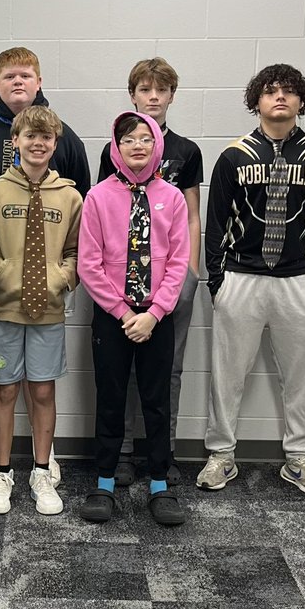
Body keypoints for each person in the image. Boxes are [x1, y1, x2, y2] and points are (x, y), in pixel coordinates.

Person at [0, 46, 91, 494]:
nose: (18, 82)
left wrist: (61, 275)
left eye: (26, 75)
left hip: (47, 280)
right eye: (9, 76)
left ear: (39, 82)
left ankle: (45, 459)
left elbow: (81, 217)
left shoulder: (66, 139)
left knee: (42, 377)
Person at [198, 64, 305, 496]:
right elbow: (215, 223)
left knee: (302, 377)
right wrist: (218, 281)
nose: (280, 97)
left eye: (289, 91)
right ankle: (221, 455)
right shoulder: (234, 156)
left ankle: (300, 458)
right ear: (256, 100)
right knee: (227, 375)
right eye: (271, 90)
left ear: (301, 101)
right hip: (242, 276)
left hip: (298, 279)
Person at [96, 58, 203, 487]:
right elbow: (105, 214)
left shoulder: (187, 151)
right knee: (119, 374)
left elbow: (191, 215)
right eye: (144, 89)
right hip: (118, 292)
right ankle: (121, 453)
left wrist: (190, 273)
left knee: (167, 371)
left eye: (161, 90)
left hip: (171, 283)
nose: (153, 97)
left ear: (172, 95)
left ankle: (164, 454)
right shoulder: (114, 149)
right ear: (133, 95)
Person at [0, 106, 81, 516]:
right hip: (4, 311)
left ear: (55, 144)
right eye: (30, 136)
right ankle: (2, 473)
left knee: (43, 391)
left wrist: (59, 278)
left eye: (46, 137)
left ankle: (41, 471)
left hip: (48, 312)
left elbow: (77, 253)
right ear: (15, 141)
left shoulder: (70, 197)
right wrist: (4, 273)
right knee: (4, 391)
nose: (38, 143)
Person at [79, 112, 189, 526]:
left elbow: (178, 262)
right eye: (128, 139)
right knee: (110, 398)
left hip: (157, 318)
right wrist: (125, 313)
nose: (137, 145)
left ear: (156, 144)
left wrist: (154, 313)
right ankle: (105, 481)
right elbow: (89, 264)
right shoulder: (98, 197)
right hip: (114, 315)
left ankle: (159, 484)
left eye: (145, 138)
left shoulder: (172, 198)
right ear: (116, 147)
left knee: (156, 401)